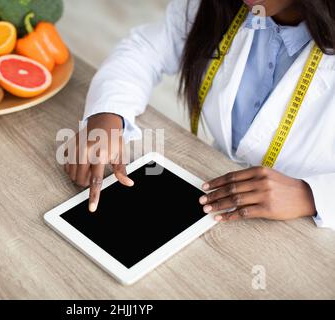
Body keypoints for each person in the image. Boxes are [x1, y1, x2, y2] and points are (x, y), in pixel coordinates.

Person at [63, 0, 335, 230]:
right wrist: (109, 114)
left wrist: (310, 195)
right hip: (221, 197)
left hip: (309, 231)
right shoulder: (220, 5)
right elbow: (145, 50)